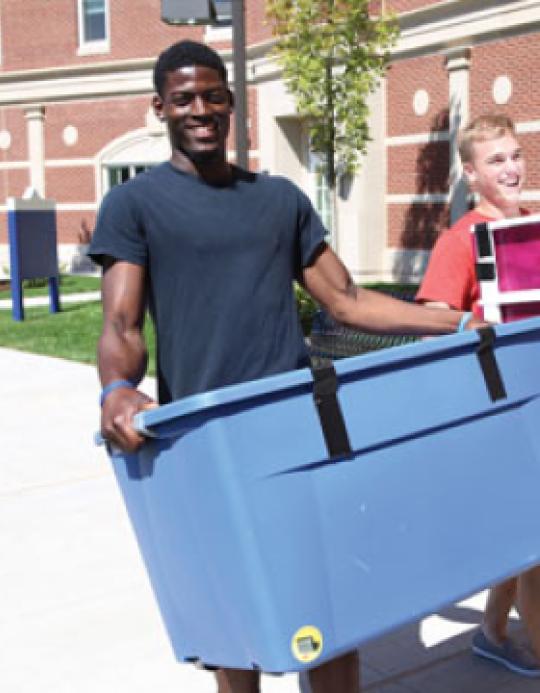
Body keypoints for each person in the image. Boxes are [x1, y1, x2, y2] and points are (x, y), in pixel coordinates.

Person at [89, 39, 485, 693]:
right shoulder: (134, 206)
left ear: (231, 102)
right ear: (159, 107)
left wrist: (460, 321)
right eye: (184, 97)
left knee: (330, 611)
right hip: (206, 442)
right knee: (234, 627)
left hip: (300, 428)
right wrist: (118, 389)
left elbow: (347, 299)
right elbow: (121, 324)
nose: (201, 109)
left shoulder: (279, 199)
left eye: (213, 95)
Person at [417, 113, 540, 678]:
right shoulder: (460, 239)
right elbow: (434, 322)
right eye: (496, 160)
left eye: (514, 155)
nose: (512, 168)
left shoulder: (535, 227)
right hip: (499, 407)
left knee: (526, 533)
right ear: (470, 173)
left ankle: (492, 632)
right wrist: (479, 327)